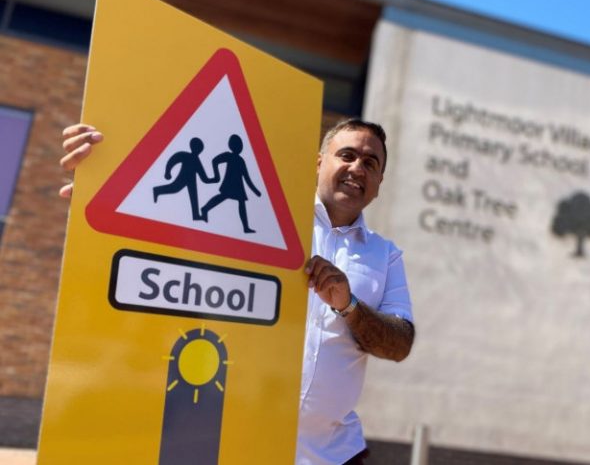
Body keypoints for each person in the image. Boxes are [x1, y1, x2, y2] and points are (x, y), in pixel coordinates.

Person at [60, 119, 415, 465]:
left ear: (380, 181)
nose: (358, 168)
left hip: (333, 455)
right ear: (319, 162)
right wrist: (98, 186)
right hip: (228, 442)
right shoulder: (262, 218)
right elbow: (164, 242)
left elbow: (399, 344)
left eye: (371, 163)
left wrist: (349, 305)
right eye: (347, 155)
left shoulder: (386, 255)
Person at [152, 136, 216, 221]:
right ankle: (157, 190)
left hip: (191, 181)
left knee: (194, 197)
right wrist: (167, 171)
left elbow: (203, 177)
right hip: (183, 178)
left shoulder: (196, 160)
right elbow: (174, 159)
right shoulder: (186, 156)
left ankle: (196, 215)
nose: (199, 150)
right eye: (199, 148)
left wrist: (213, 180)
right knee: (174, 188)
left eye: (200, 148)